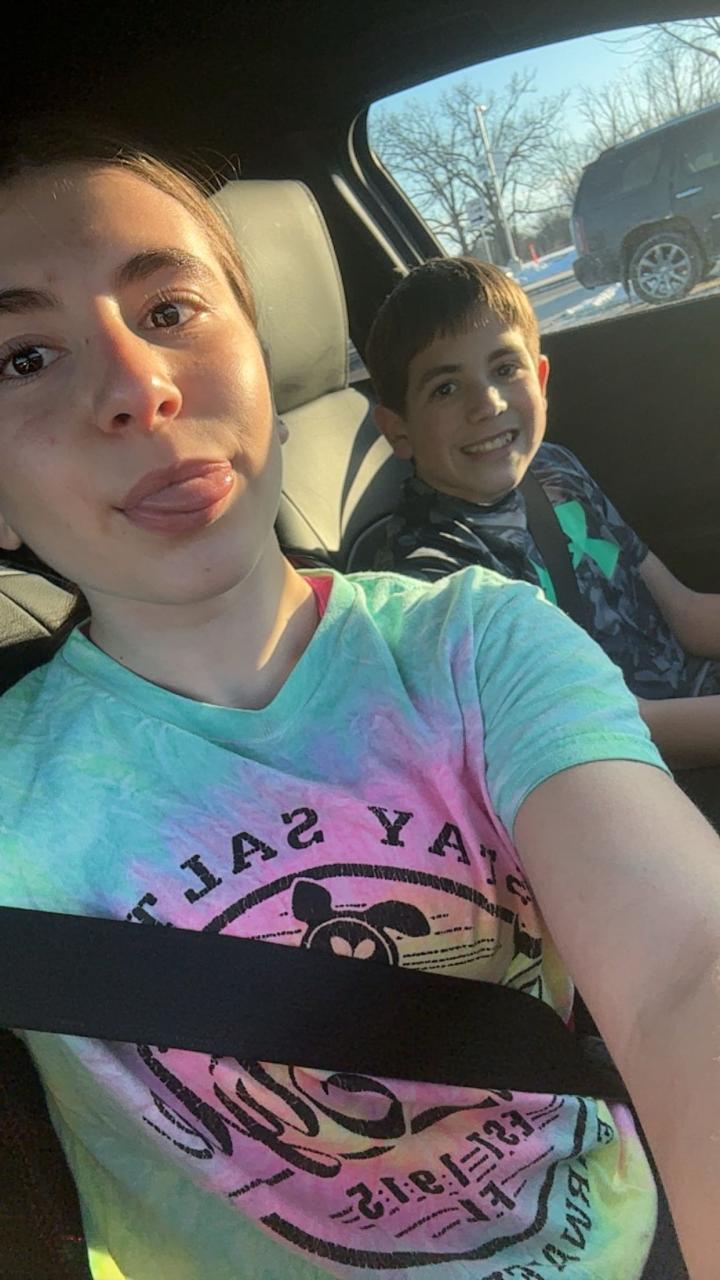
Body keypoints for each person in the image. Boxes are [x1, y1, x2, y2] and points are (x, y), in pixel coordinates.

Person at [0, 125, 718, 1280]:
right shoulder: (12, 795)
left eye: (171, 310)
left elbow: (687, 968)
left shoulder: (478, 641)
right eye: (25, 357)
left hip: (624, 1239)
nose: (139, 386)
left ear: (268, 372)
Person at [365, 257, 720, 781]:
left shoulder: (555, 470)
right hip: (632, 769)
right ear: (398, 430)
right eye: (446, 388)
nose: (487, 404)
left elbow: (683, 612)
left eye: (505, 370)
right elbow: (592, 725)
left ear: (542, 378)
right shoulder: (434, 578)